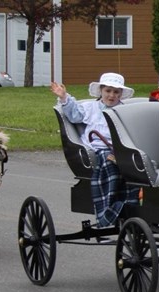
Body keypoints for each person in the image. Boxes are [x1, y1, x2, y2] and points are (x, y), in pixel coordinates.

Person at [50, 73, 139, 227]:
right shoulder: (90, 108)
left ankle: (131, 205)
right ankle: (108, 211)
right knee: (110, 164)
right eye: (108, 91)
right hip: (98, 149)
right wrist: (64, 97)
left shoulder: (125, 110)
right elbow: (74, 115)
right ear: (101, 91)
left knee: (136, 166)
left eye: (116, 92)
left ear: (121, 94)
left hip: (121, 149)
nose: (112, 95)